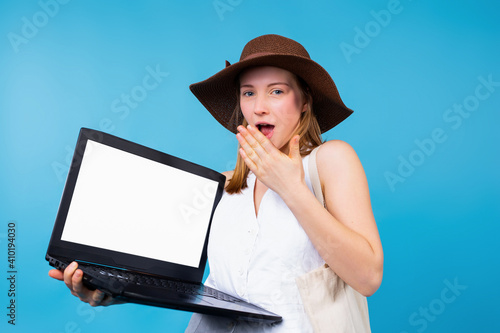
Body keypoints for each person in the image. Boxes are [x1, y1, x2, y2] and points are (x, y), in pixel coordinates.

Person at [49, 34, 383, 332]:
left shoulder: (330, 160)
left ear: (304, 102)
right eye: (248, 93)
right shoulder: (221, 186)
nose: (260, 106)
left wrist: (291, 189)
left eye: (277, 91)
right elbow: (187, 286)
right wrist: (113, 291)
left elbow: (367, 277)